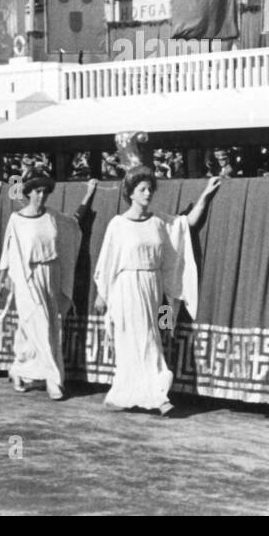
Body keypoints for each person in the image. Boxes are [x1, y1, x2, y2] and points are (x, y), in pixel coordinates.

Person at [93, 168, 221, 415]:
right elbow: (107, 262)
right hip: (126, 288)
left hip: (152, 288)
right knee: (134, 341)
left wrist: (206, 194)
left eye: (150, 188)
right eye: (142, 189)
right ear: (130, 193)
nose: (148, 193)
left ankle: (126, 395)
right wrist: (102, 294)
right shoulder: (117, 224)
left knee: (151, 337)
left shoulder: (159, 222)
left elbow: (187, 225)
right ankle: (157, 396)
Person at [0, 174, 93, 399]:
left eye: (45, 192)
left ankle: (18, 369)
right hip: (27, 277)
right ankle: (53, 379)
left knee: (45, 325)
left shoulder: (53, 217)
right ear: (28, 193)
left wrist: (88, 194)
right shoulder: (16, 219)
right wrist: (1, 282)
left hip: (51, 274)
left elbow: (74, 223)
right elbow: (8, 253)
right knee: (40, 323)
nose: (41, 196)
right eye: (37, 191)